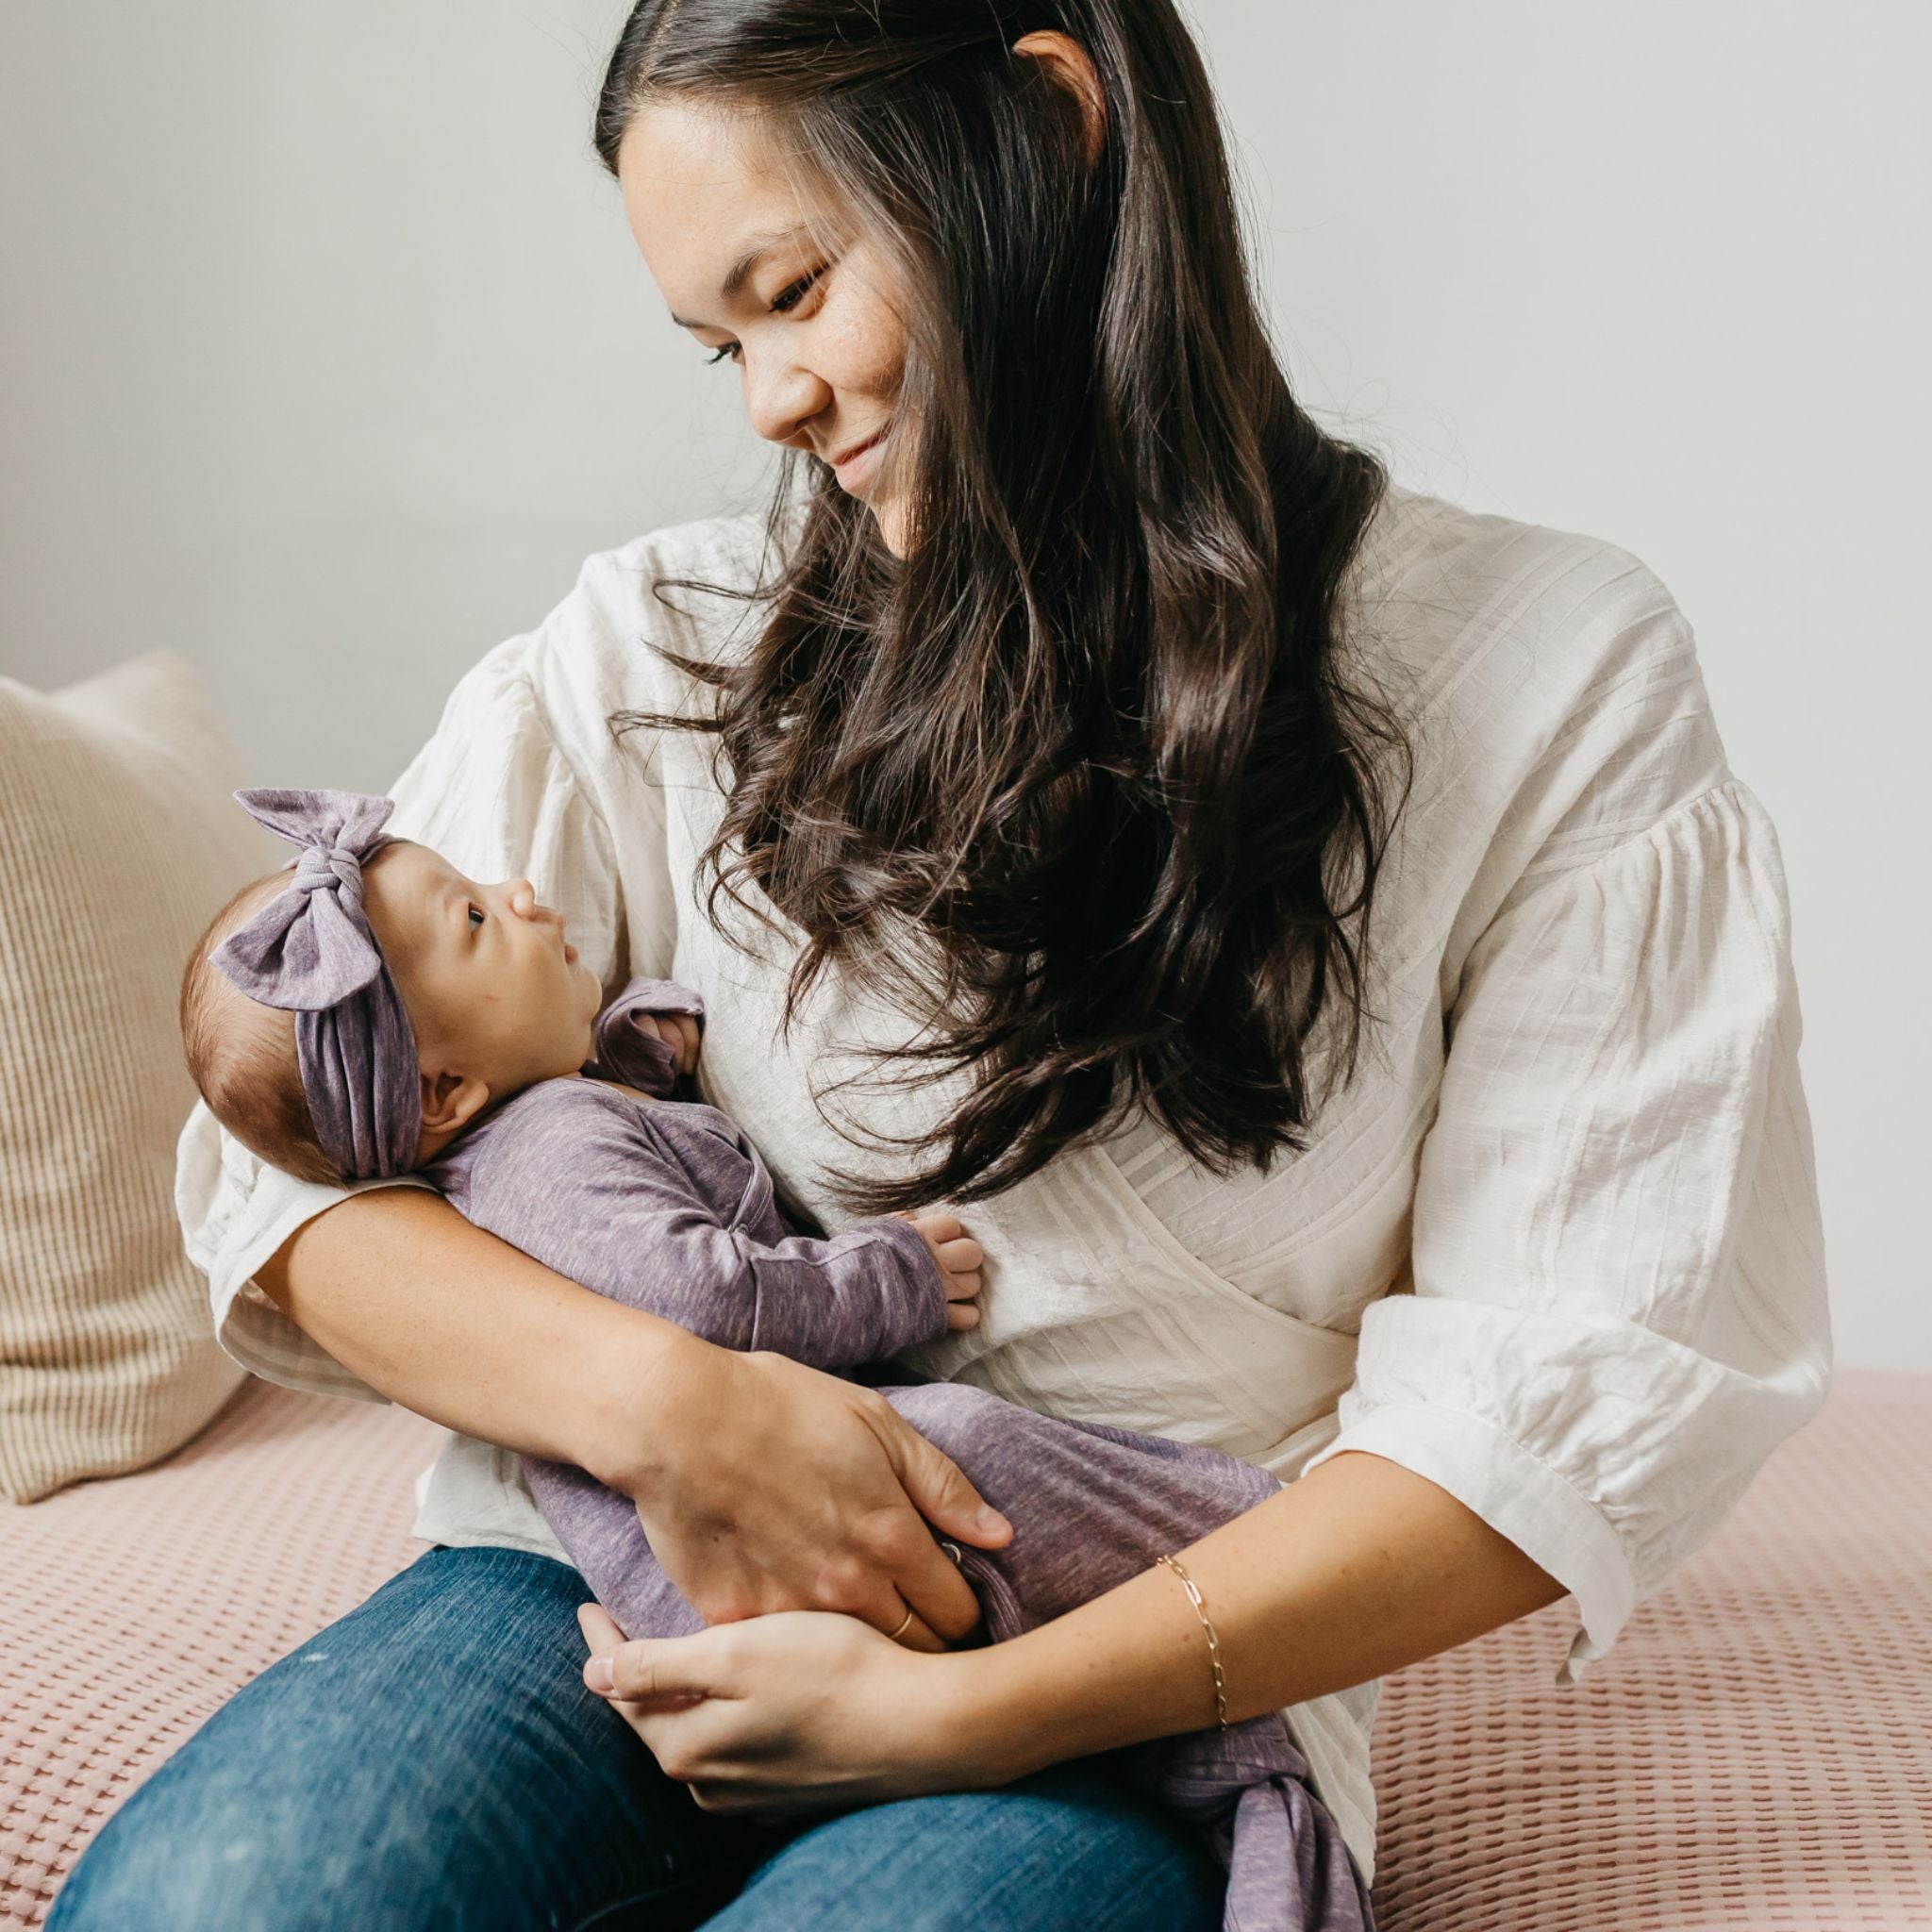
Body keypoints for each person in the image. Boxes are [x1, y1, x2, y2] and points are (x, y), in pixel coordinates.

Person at [48, 2, 1832, 1927]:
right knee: (225, 1897)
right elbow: (289, 1177)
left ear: (1043, 130)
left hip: (1115, 1681)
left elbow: (1542, 1412)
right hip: (596, 1574)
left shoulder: (1545, 677)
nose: (767, 403)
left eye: (793, 290)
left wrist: (972, 1712)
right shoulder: (666, 646)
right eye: (721, 343)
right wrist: (681, 1410)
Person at [177, 789, 1377, 1927]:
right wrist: (891, 1272)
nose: (524, 887)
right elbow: (700, 1287)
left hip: (727, 1594)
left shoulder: (539, 1123)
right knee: (968, 1450)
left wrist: (633, 1045)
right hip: (749, 1566)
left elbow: (616, 1181)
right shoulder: (549, 1144)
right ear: (443, 1088)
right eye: (479, 916)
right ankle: (1236, 1533)